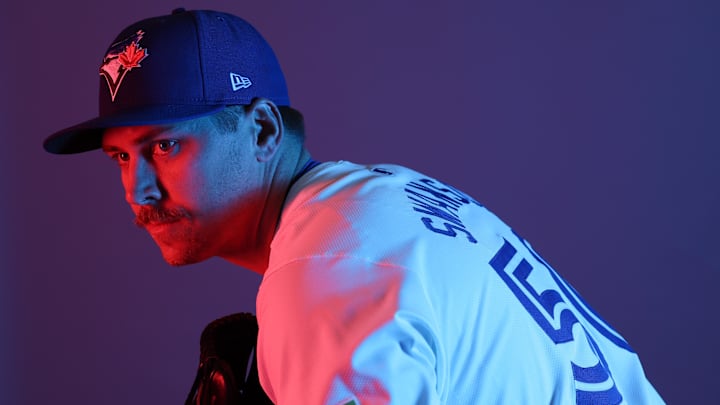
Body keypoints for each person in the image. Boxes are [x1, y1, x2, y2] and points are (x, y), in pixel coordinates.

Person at [44, 8, 664, 405]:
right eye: (120, 158)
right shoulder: (388, 200)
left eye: (165, 146)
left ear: (262, 132)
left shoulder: (323, 274)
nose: (139, 190)